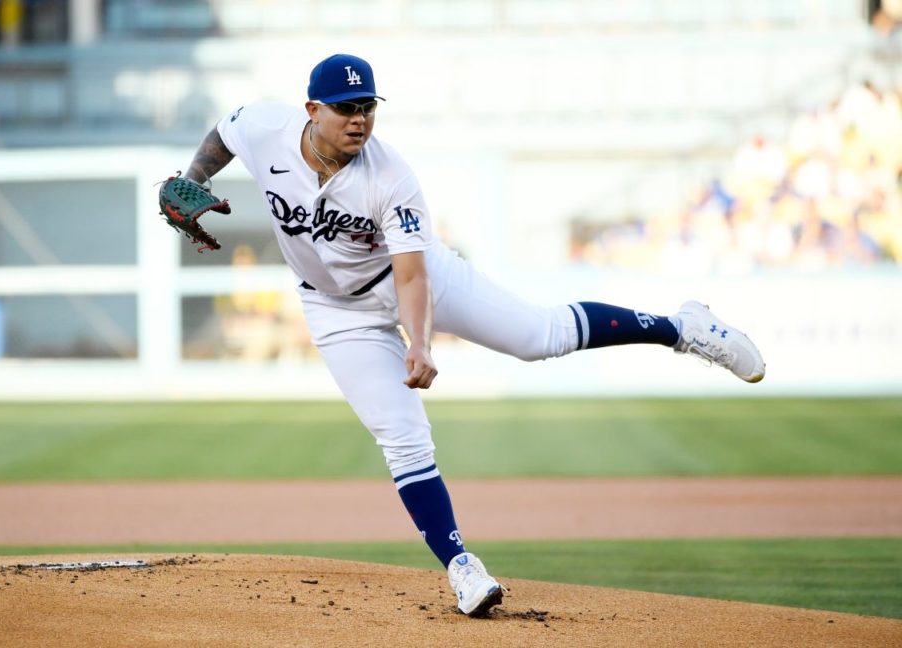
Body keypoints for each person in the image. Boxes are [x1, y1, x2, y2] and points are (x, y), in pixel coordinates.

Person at [175, 53, 766, 617]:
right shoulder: (266, 126)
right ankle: (462, 567)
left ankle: (683, 329)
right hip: (333, 309)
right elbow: (222, 138)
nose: (359, 118)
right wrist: (190, 179)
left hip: (415, 276)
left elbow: (411, 275)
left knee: (541, 336)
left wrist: (421, 342)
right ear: (311, 111)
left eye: (368, 105)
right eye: (345, 107)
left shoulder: (391, 175)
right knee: (402, 437)